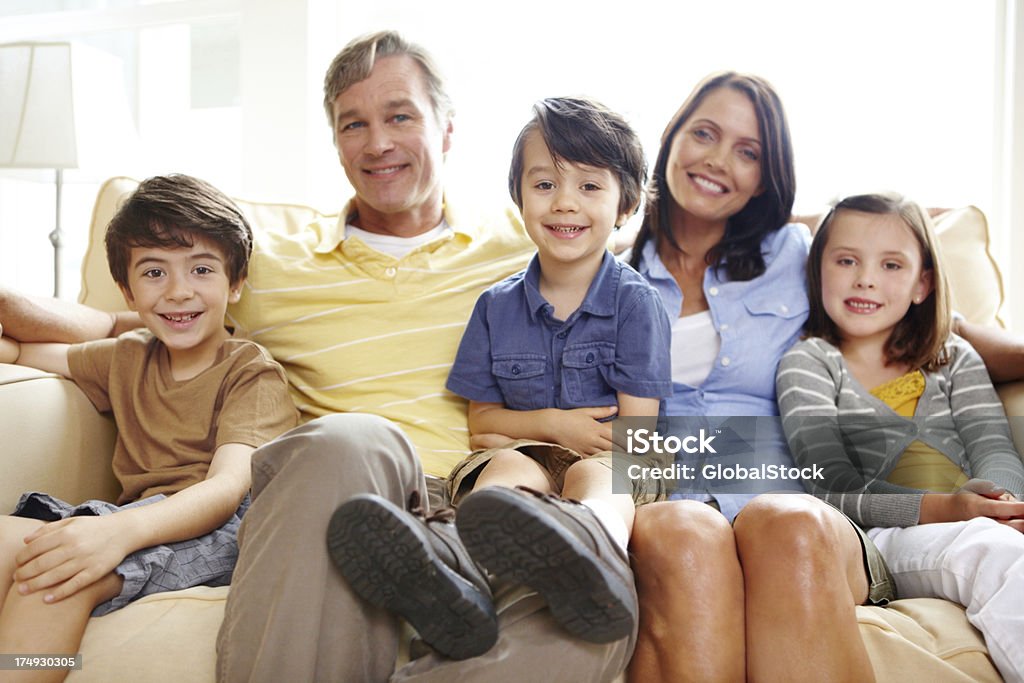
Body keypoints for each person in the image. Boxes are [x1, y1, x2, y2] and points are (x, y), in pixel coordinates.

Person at [326, 96, 671, 660]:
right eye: (544, 185)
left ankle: (591, 555)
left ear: (626, 204)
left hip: (615, 461)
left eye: (590, 187)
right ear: (519, 197)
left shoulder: (637, 305)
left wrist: (571, 453)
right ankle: (455, 573)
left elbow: (638, 436)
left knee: (601, 479)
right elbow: (483, 427)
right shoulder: (496, 306)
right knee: (508, 464)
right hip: (529, 453)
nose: (565, 203)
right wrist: (554, 425)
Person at [623, 72, 885, 682]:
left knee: (784, 523)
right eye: (705, 134)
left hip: (795, 506)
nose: (718, 161)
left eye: (748, 152)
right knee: (683, 532)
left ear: (765, 179)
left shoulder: (799, 252)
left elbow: (926, 327)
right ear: (672, 137)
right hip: (668, 505)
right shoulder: (609, 277)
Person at [0, 174, 297, 683]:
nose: (179, 291)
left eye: (201, 269)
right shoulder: (128, 356)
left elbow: (227, 490)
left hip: (221, 531)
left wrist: (115, 533)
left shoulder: (250, 370)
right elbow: (23, 349)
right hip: (131, 518)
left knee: (55, 575)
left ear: (235, 282)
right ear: (127, 290)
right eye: (154, 273)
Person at [775, 192, 1024, 682]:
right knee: (990, 554)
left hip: (979, 517)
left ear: (922, 284)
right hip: (886, 538)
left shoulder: (952, 355)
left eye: (892, 265)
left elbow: (992, 444)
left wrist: (1004, 503)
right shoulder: (809, 364)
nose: (866, 278)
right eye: (846, 260)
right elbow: (831, 485)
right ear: (817, 271)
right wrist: (945, 508)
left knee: (993, 538)